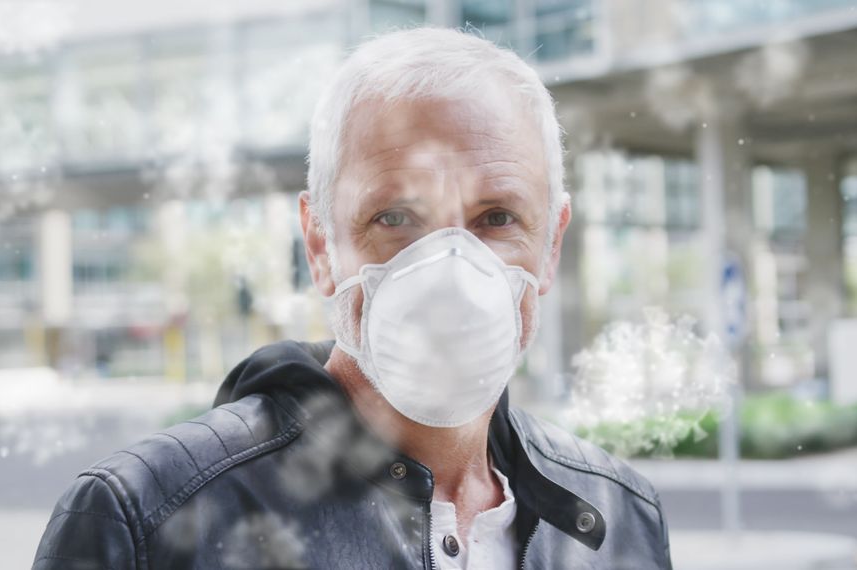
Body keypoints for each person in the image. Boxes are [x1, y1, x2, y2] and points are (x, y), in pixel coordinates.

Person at [33, 27, 672, 569]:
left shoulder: (620, 519)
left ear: (552, 245)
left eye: (497, 217)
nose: (450, 270)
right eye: (396, 217)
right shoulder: (143, 520)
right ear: (319, 245)